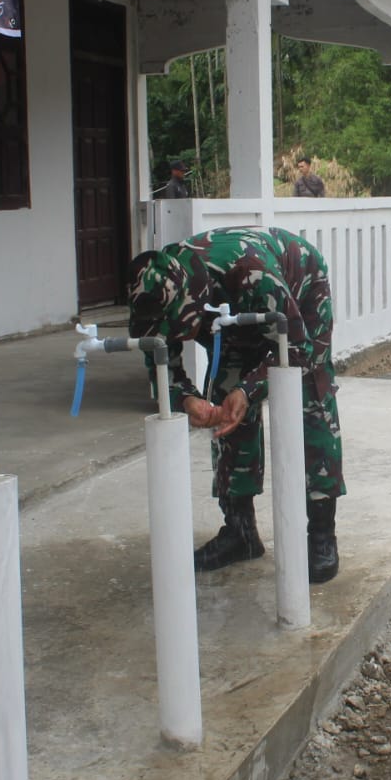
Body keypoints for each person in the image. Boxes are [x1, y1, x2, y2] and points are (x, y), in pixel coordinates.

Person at [128, 227, 345, 582]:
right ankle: (240, 531)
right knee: (225, 408)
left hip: (298, 295)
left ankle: (321, 534)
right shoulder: (154, 290)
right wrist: (185, 397)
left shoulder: (252, 273)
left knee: (310, 396)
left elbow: (294, 348)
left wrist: (248, 390)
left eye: (181, 326)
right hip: (227, 314)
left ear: (194, 301)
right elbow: (159, 357)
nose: (176, 333)